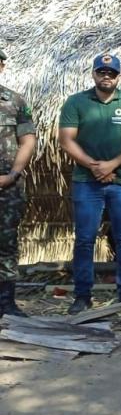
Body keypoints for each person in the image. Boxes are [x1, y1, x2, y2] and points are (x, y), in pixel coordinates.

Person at [58, 54, 121, 314]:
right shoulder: (76, 102)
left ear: (119, 76)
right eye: (102, 72)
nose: (107, 76)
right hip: (87, 182)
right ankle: (82, 295)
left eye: (112, 73)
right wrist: (95, 166)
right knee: (85, 239)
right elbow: (66, 140)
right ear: (94, 74)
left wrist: (112, 164)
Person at [0, 48, 37, 318]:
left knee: (7, 243)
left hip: (7, 187)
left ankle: (6, 303)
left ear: (2, 66)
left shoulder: (15, 101)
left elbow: (28, 140)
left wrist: (13, 175)